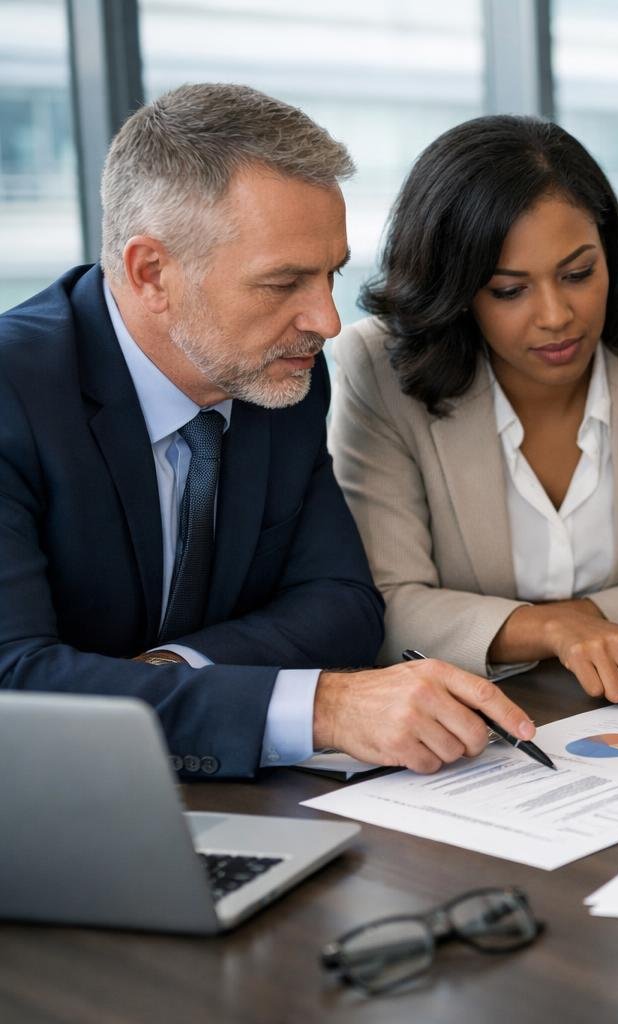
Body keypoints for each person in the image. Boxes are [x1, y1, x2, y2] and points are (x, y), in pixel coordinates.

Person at [0, 84, 538, 779]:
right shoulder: (15, 393)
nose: (327, 321)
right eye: (283, 283)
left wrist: (169, 672)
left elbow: (341, 605)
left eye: (332, 276)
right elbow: (17, 685)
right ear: (151, 273)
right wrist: (323, 709)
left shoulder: (275, 376)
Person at [328, 115, 618, 718]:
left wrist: (586, 624)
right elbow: (386, 603)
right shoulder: (378, 367)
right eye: (509, 290)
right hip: (477, 720)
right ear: (454, 291)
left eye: (579, 274)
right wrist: (553, 630)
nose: (556, 315)